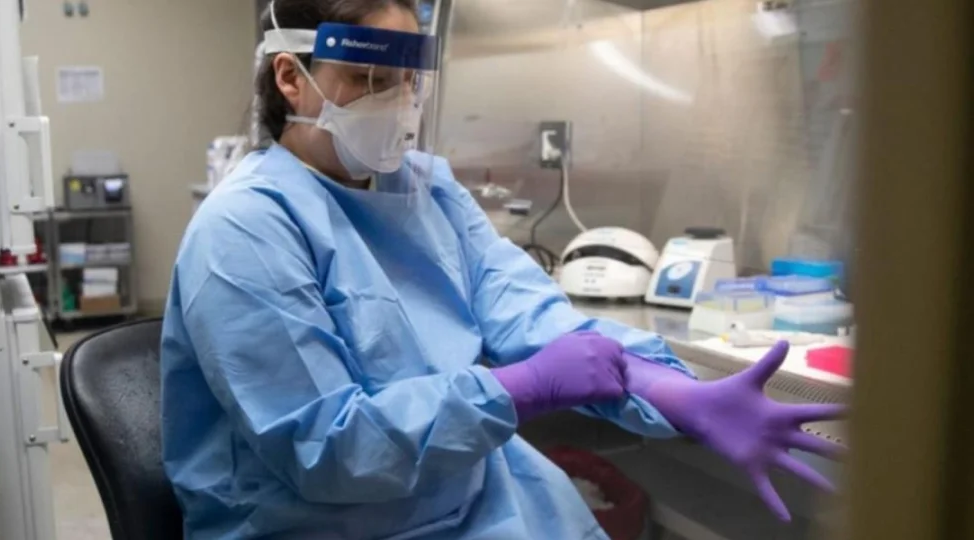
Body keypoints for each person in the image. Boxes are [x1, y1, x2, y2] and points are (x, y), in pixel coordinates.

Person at [160, 1, 845, 538]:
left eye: (408, 81)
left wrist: (666, 388)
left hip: (475, 503)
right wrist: (517, 390)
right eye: (369, 80)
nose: (396, 103)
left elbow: (529, 313)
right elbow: (332, 449)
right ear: (292, 79)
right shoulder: (244, 229)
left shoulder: (424, 189)